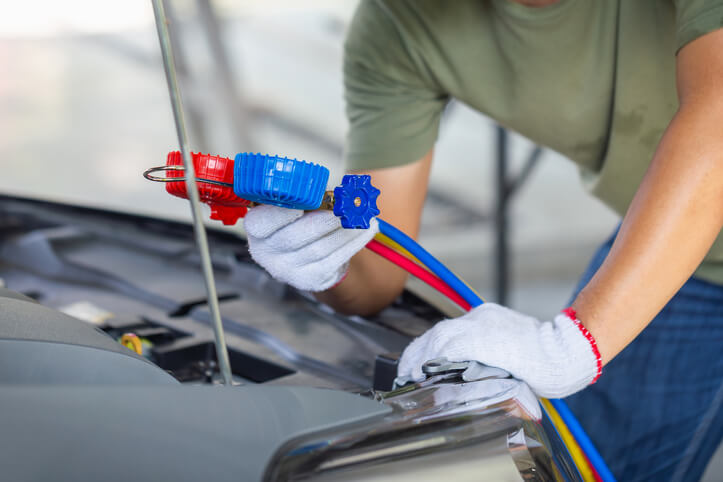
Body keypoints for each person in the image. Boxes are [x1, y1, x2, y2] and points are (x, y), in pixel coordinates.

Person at [243, 1, 723, 480]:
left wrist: (575, 344)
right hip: (701, 263)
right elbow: (380, 263)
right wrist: (323, 260)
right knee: (587, 465)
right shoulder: (399, 21)